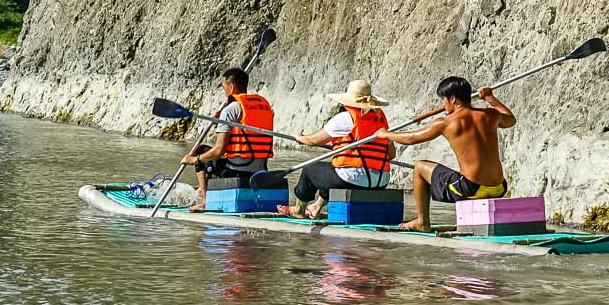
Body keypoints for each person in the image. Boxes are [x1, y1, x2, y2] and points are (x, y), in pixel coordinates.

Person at [378, 76, 515, 232]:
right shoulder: (491, 115)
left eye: (444, 100)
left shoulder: (446, 122)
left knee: (420, 167)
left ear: (453, 99)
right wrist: (491, 98)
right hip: (499, 188)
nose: (443, 105)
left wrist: (386, 134)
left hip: (470, 189)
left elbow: (410, 138)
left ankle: (422, 222)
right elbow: (511, 120)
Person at [277, 79, 394, 219]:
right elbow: (390, 155)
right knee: (332, 172)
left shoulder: (345, 118)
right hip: (380, 182)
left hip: (353, 180)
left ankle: (298, 210)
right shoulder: (381, 120)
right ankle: (316, 206)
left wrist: (301, 138)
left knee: (310, 170)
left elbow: (314, 140)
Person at [180, 67, 275, 212]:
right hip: (260, 171)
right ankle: (201, 189)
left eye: (224, 87)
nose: (224, 91)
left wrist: (194, 160)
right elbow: (245, 132)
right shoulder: (263, 107)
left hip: (237, 172)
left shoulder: (229, 110)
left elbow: (219, 150)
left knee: (199, 151)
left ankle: (205, 200)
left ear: (231, 87)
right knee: (215, 156)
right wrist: (221, 121)